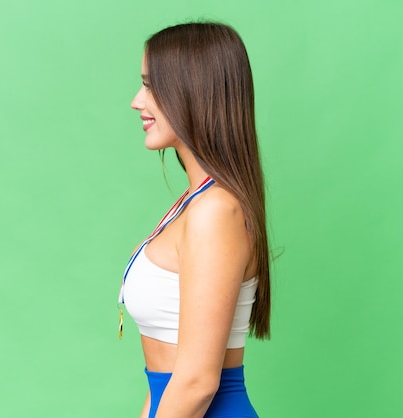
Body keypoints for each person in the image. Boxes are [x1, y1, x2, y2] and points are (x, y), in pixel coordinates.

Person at [118, 22, 271, 418]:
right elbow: (164, 381)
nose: (137, 101)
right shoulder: (194, 203)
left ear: (192, 91)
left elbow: (197, 382)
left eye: (150, 86)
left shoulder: (215, 211)